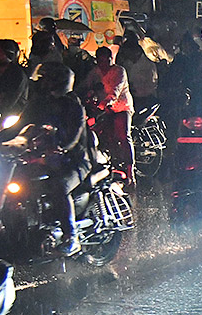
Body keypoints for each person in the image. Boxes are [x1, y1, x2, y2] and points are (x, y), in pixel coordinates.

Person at [21, 62, 88, 255]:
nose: (43, 83)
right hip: (46, 158)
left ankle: (71, 236)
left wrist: (61, 147)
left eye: (47, 79)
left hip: (76, 160)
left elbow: (74, 135)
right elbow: (19, 126)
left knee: (60, 186)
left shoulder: (73, 105)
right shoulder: (39, 104)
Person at [79, 46, 135, 185]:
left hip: (121, 107)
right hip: (103, 110)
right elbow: (85, 85)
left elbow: (114, 92)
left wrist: (103, 104)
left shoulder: (119, 71)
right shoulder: (95, 72)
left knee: (123, 136)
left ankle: (130, 171)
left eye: (106, 60)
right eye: (100, 61)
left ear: (111, 59)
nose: (103, 64)